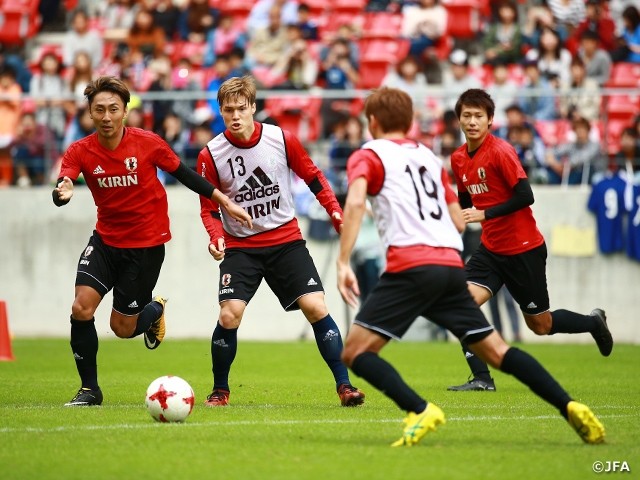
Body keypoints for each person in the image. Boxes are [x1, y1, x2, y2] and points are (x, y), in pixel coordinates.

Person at [336, 86, 605, 447]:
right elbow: (459, 221)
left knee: (355, 352)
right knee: (499, 351)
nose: (472, 121)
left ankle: (419, 409)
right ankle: (569, 405)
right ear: (411, 121)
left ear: (371, 122)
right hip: (450, 261)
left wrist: (342, 262)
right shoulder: (430, 158)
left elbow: (353, 205)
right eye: (467, 115)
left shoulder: (368, 154)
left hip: (424, 263)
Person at [52, 76, 251, 407]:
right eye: (98, 109)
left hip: (144, 247)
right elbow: (65, 180)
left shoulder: (147, 143)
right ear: (89, 112)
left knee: (122, 328)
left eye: (113, 109)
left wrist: (224, 201)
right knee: (81, 307)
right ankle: (90, 390)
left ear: (125, 112)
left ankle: (155, 310)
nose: (106, 116)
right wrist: (64, 191)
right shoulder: (80, 150)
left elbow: (185, 174)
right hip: (104, 241)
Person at [196, 75, 365, 408]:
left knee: (317, 307)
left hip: (286, 241)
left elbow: (314, 178)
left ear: (253, 108)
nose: (235, 116)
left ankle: (345, 386)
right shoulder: (210, 154)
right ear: (220, 111)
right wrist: (215, 237)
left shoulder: (281, 139)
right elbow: (208, 209)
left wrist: (336, 213)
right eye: (228, 110)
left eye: (241, 108)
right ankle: (220, 390)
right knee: (229, 315)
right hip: (241, 248)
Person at [447, 89, 612, 392]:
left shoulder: (501, 151)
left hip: (523, 249)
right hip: (491, 250)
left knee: (540, 325)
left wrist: (485, 214)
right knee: (461, 305)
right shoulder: (458, 158)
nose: (472, 121)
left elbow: (526, 195)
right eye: (466, 115)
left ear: (490, 120)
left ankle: (593, 323)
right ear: (459, 119)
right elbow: (464, 200)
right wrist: (454, 223)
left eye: (478, 116)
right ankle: (482, 378)